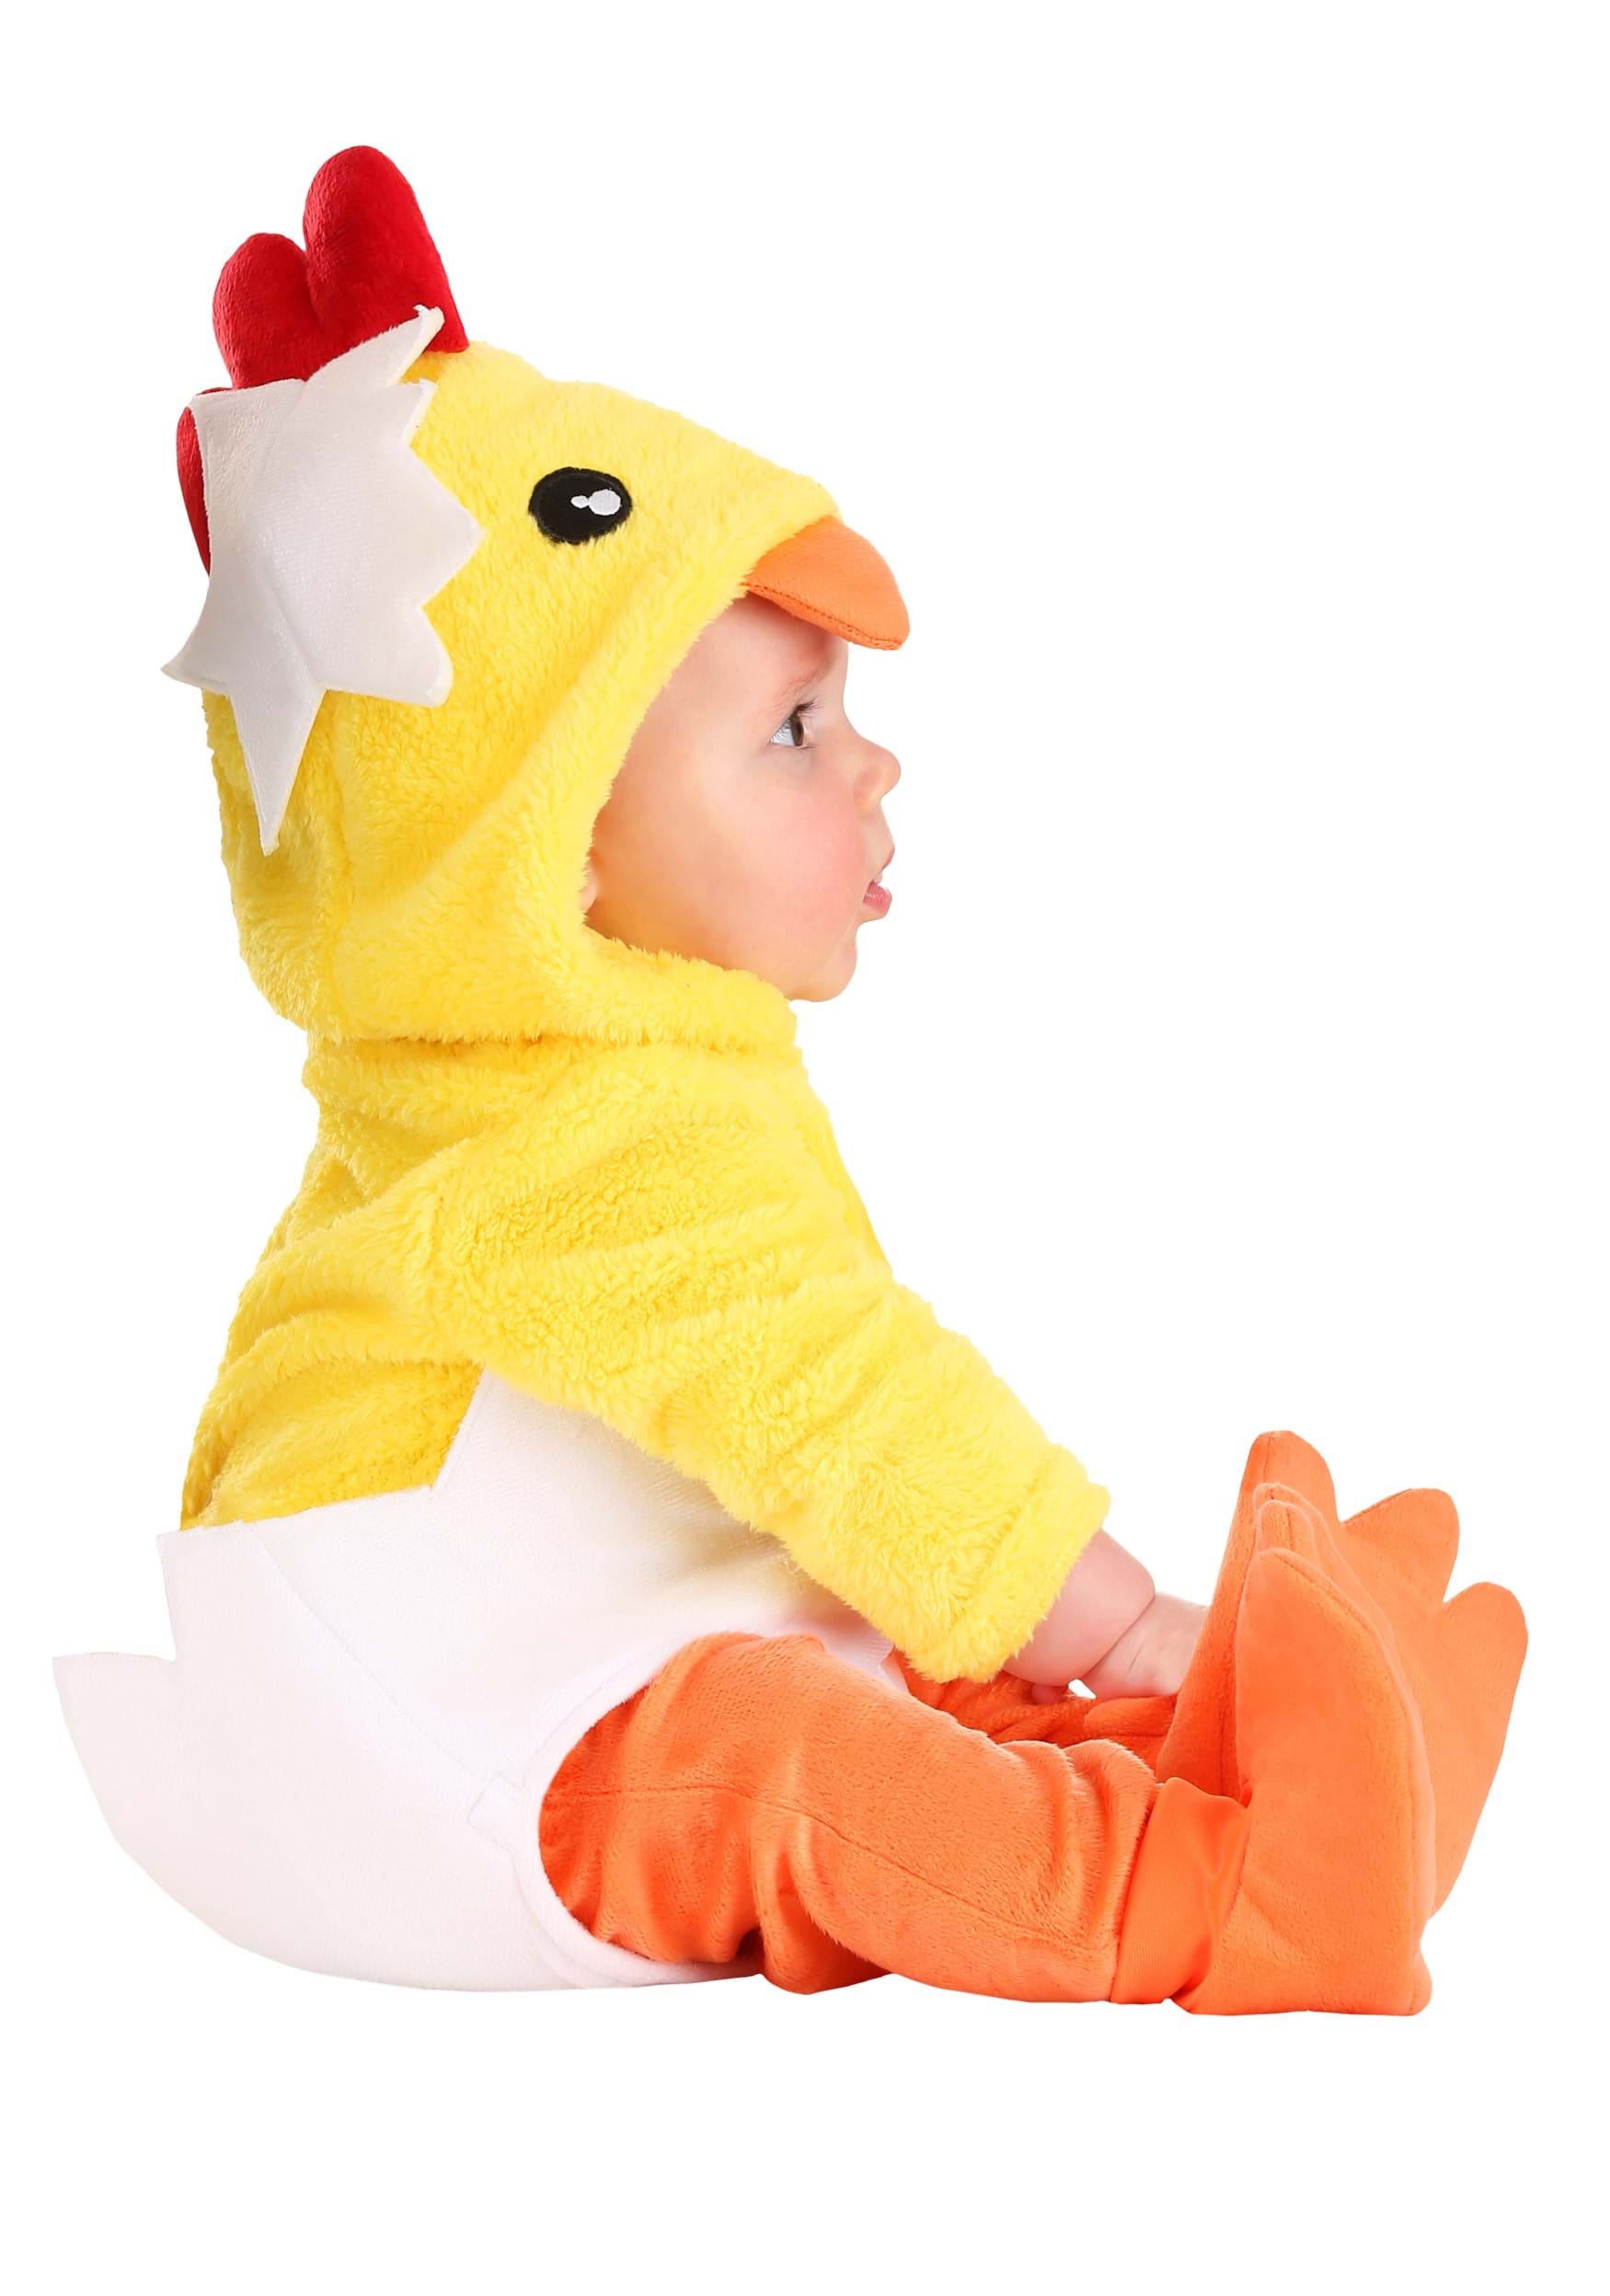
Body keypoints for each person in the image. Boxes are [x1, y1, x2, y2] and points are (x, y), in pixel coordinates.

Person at [55, 145, 1525, 2010]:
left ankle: (1249, 1762)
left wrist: (1062, 1635)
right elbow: (838, 1402)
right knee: (784, 1753)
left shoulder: (617, 1066)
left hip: (589, 1627)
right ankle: (1234, 1890)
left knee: (907, 1642)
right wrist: (1127, 1614)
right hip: (454, 1737)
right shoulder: (560, 1134)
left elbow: (823, 1459)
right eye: (793, 727)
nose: (871, 767)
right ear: (540, 853)